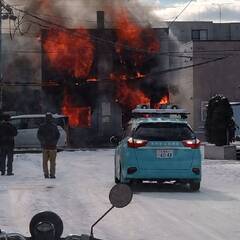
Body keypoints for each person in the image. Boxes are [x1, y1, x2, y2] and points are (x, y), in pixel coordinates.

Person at [37, 113, 60, 179]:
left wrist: (42, 141)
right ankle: (52, 174)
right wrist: (55, 142)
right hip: (53, 147)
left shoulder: (42, 126)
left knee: (45, 162)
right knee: (52, 162)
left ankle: (46, 174)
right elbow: (58, 135)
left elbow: (39, 135)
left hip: (45, 146)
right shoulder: (54, 126)